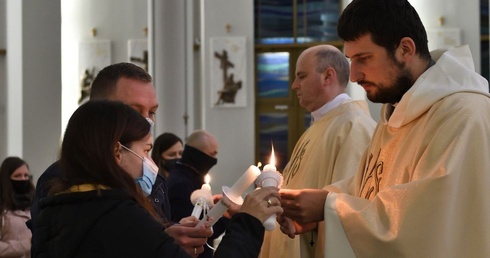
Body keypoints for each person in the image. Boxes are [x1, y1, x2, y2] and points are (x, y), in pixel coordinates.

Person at [277, 0, 490, 257]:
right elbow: (367, 187)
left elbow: (430, 224)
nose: (354, 75)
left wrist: (328, 207)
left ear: (405, 49)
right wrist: (318, 213)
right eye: (351, 60)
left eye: (364, 58)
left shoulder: (462, 114)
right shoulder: (396, 111)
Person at [31, 100, 283, 258]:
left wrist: (161, 239)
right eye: (146, 150)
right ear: (118, 151)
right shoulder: (117, 214)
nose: (149, 163)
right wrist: (248, 222)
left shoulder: (57, 206)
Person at [30, 62, 208, 256]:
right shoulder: (62, 180)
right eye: (134, 111)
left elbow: (147, 232)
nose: (146, 121)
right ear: (103, 113)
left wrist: (169, 236)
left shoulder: (152, 176)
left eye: (152, 112)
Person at [259, 45, 376, 258]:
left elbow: (350, 209)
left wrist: (311, 220)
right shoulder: (317, 127)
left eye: (301, 76)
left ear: (328, 76)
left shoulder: (353, 127)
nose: (294, 85)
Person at [167, 130, 230, 258]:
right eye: (212, 154)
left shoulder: (188, 175)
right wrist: (225, 215)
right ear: (198, 154)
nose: (214, 160)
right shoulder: (181, 185)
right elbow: (198, 229)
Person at [0, 157, 35, 258]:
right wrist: (26, 244)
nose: (23, 179)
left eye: (26, 175)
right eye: (17, 176)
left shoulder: (36, 203)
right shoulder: (3, 209)